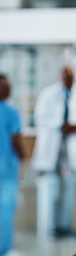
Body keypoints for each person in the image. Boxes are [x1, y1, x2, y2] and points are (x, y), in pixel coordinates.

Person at [33, 66, 76, 238]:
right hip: (52, 151)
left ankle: (65, 226)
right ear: (61, 77)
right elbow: (39, 118)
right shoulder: (48, 94)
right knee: (52, 191)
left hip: (70, 150)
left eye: (71, 77)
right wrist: (59, 124)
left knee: (70, 191)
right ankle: (51, 227)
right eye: (66, 76)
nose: (69, 80)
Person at [0, 75, 24, 256]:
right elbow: (15, 140)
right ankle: (5, 249)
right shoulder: (11, 112)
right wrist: (24, 157)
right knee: (6, 209)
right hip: (6, 165)